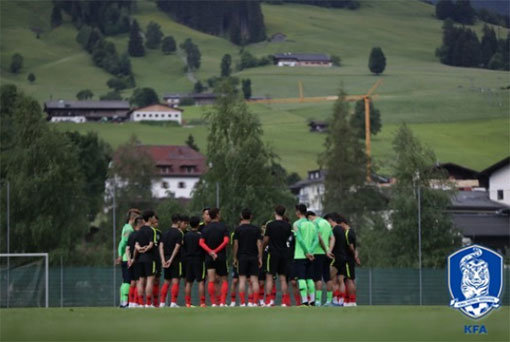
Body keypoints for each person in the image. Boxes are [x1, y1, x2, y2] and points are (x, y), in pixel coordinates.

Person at [199, 208, 230, 306]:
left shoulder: (205, 228)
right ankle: (222, 302)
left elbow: (201, 243)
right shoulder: (223, 227)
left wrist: (211, 252)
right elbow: (225, 241)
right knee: (224, 279)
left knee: (211, 280)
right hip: (221, 256)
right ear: (217, 215)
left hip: (209, 257)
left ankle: (213, 303)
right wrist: (216, 251)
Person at [263, 205, 292, 307]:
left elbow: (266, 240)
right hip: (284, 253)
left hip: (273, 253)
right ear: (284, 213)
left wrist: (262, 248)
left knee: (270, 277)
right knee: (283, 278)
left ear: (275, 212)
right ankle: (284, 301)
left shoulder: (270, 225)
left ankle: (270, 301)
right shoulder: (288, 225)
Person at [233, 208, 263, 307]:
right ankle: (254, 302)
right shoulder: (256, 229)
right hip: (253, 257)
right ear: (251, 216)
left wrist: (235, 257)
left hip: (242, 257)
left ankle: (242, 303)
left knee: (242, 280)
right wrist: (260, 257)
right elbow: (259, 244)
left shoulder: (238, 229)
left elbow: (236, 244)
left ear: (241, 216)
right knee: (254, 280)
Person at [307, 211, 334, 307]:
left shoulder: (314, 223)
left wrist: (324, 250)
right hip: (327, 254)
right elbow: (332, 238)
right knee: (327, 277)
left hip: (318, 253)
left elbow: (318, 238)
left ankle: (317, 301)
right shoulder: (326, 223)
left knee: (317, 278)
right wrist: (329, 250)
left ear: (310, 216)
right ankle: (329, 301)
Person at [293, 204, 318, 306]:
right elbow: (316, 240)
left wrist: (306, 252)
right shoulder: (313, 224)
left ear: (298, 212)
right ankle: (312, 301)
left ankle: (304, 301)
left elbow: (300, 239)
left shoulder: (296, 224)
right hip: (311, 256)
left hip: (300, 255)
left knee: (302, 279)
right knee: (310, 278)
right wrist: (311, 252)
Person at [134, 210, 158, 307]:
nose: (154, 219)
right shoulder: (152, 230)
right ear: (150, 218)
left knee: (140, 281)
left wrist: (140, 249)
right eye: (153, 217)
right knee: (149, 280)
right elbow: (151, 244)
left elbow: (136, 245)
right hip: (149, 258)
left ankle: (140, 303)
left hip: (140, 259)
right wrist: (146, 249)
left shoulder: (139, 230)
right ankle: (148, 303)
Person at [117, 208, 140, 308]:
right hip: (128, 258)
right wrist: (120, 255)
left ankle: (123, 302)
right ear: (133, 218)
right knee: (127, 281)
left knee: (125, 280)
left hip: (126, 258)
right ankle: (125, 302)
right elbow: (123, 243)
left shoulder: (126, 227)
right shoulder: (129, 229)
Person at [159, 214, 184, 308]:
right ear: (178, 222)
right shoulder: (179, 233)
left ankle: (162, 302)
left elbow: (161, 246)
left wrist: (163, 260)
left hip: (165, 258)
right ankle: (173, 302)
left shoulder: (164, 233)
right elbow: (177, 247)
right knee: (175, 281)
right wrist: (171, 259)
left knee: (166, 282)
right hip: (175, 259)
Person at [182, 216, 206, 307]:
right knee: (200, 282)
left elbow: (183, 247)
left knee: (188, 282)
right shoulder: (200, 235)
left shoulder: (185, 236)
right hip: (199, 260)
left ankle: (187, 302)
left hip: (188, 260)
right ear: (198, 224)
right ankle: (202, 302)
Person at [326, 212, 348, 306]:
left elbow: (332, 242)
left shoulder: (334, 230)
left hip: (336, 257)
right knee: (341, 280)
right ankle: (341, 301)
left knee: (330, 279)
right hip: (343, 257)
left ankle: (334, 300)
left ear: (330, 220)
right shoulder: (342, 229)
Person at [339, 215, 360, 306]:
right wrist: (356, 256)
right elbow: (356, 247)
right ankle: (351, 300)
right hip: (351, 259)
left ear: (343, 223)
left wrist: (353, 255)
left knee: (349, 280)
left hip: (348, 259)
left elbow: (351, 247)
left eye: (340, 226)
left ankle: (351, 301)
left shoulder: (347, 233)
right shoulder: (352, 231)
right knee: (350, 279)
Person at [126, 215, 143, 308]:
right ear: (139, 223)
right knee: (139, 282)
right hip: (138, 260)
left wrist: (129, 259)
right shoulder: (139, 234)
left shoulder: (131, 234)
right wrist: (133, 259)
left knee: (132, 282)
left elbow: (127, 248)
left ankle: (131, 303)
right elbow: (136, 248)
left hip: (131, 261)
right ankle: (138, 303)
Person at [151, 215, 162, 307]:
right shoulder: (147, 232)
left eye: (157, 222)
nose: (156, 224)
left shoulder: (159, 233)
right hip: (150, 259)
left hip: (157, 260)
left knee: (157, 280)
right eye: (155, 222)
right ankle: (145, 302)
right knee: (149, 280)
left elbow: (161, 247)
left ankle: (155, 303)